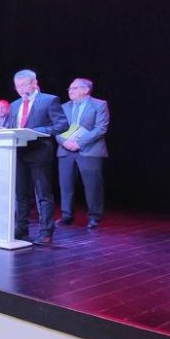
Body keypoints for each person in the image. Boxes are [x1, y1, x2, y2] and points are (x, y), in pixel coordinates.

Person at [2, 70, 69, 245]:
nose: (21, 89)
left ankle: (46, 232)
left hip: (39, 152)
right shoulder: (15, 104)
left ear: (34, 83)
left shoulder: (49, 100)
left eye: (24, 84)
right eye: (17, 86)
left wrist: (37, 131)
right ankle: (21, 230)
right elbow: (12, 125)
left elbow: (62, 125)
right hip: (19, 152)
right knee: (21, 194)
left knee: (43, 194)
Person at [56, 78, 110, 229]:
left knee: (93, 185)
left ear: (86, 90)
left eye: (74, 88)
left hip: (90, 150)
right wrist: (65, 142)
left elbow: (100, 128)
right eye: (69, 88)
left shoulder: (99, 105)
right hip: (65, 150)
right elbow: (57, 128)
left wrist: (79, 143)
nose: (70, 91)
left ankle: (94, 216)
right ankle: (67, 215)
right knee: (65, 184)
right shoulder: (63, 107)